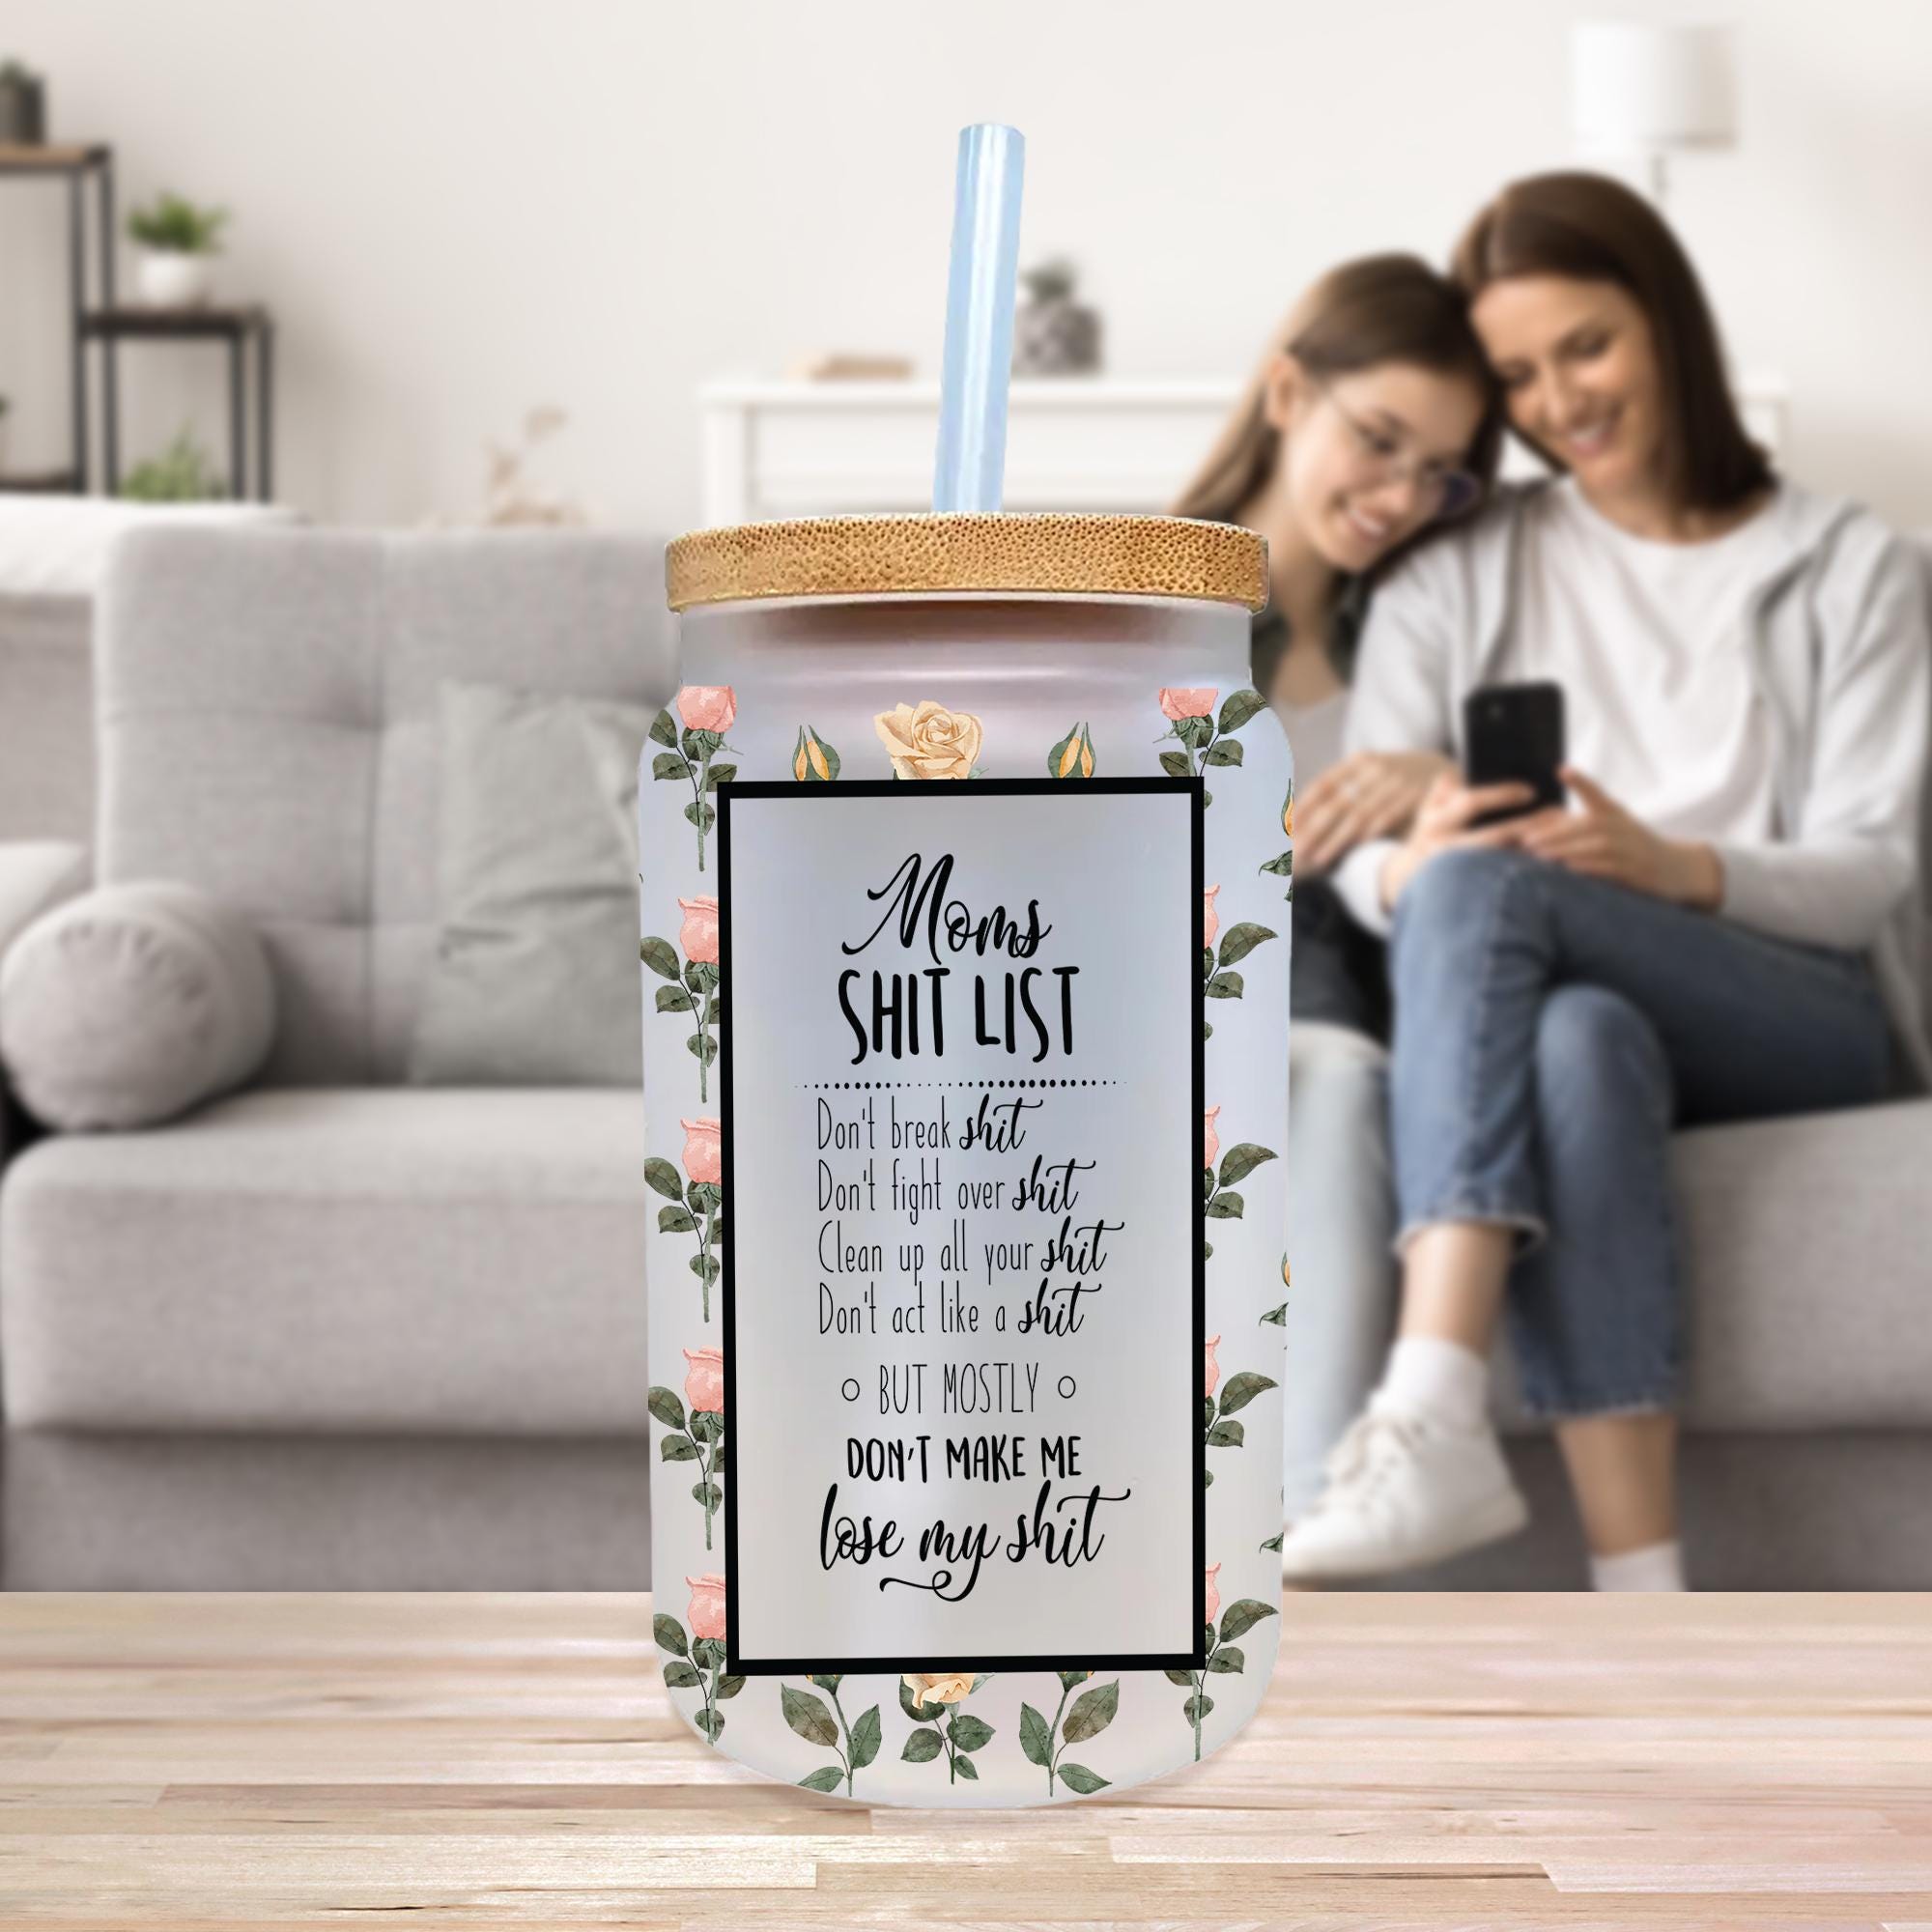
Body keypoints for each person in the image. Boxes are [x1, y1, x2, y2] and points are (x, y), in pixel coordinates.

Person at [1278, 172, 1930, 1590]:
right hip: (1559, 994)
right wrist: (1422, 852)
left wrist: (1671, 868)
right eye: (1518, 375)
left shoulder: (1853, 570)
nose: (1559, 399)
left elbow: (1871, 870)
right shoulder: (1457, 570)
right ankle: (1648, 1596)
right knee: (1571, 1027)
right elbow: (1373, 861)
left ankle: (1429, 1398)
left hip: (1797, 1012)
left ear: (1665, 324)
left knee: (1493, 889)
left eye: (1587, 345)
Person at [1171, 256, 1503, 1517]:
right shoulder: (1156, 611)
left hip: (1384, 994)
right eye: (1378, 440)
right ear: (1285, 393)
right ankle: (1306, 1495)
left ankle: (1309, 1501)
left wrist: (1437, 777)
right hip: (1217, 984)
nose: (1400, 495)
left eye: (1440, 471)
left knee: (1346, 1054)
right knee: (1315, 1041)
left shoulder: (1426, 638)